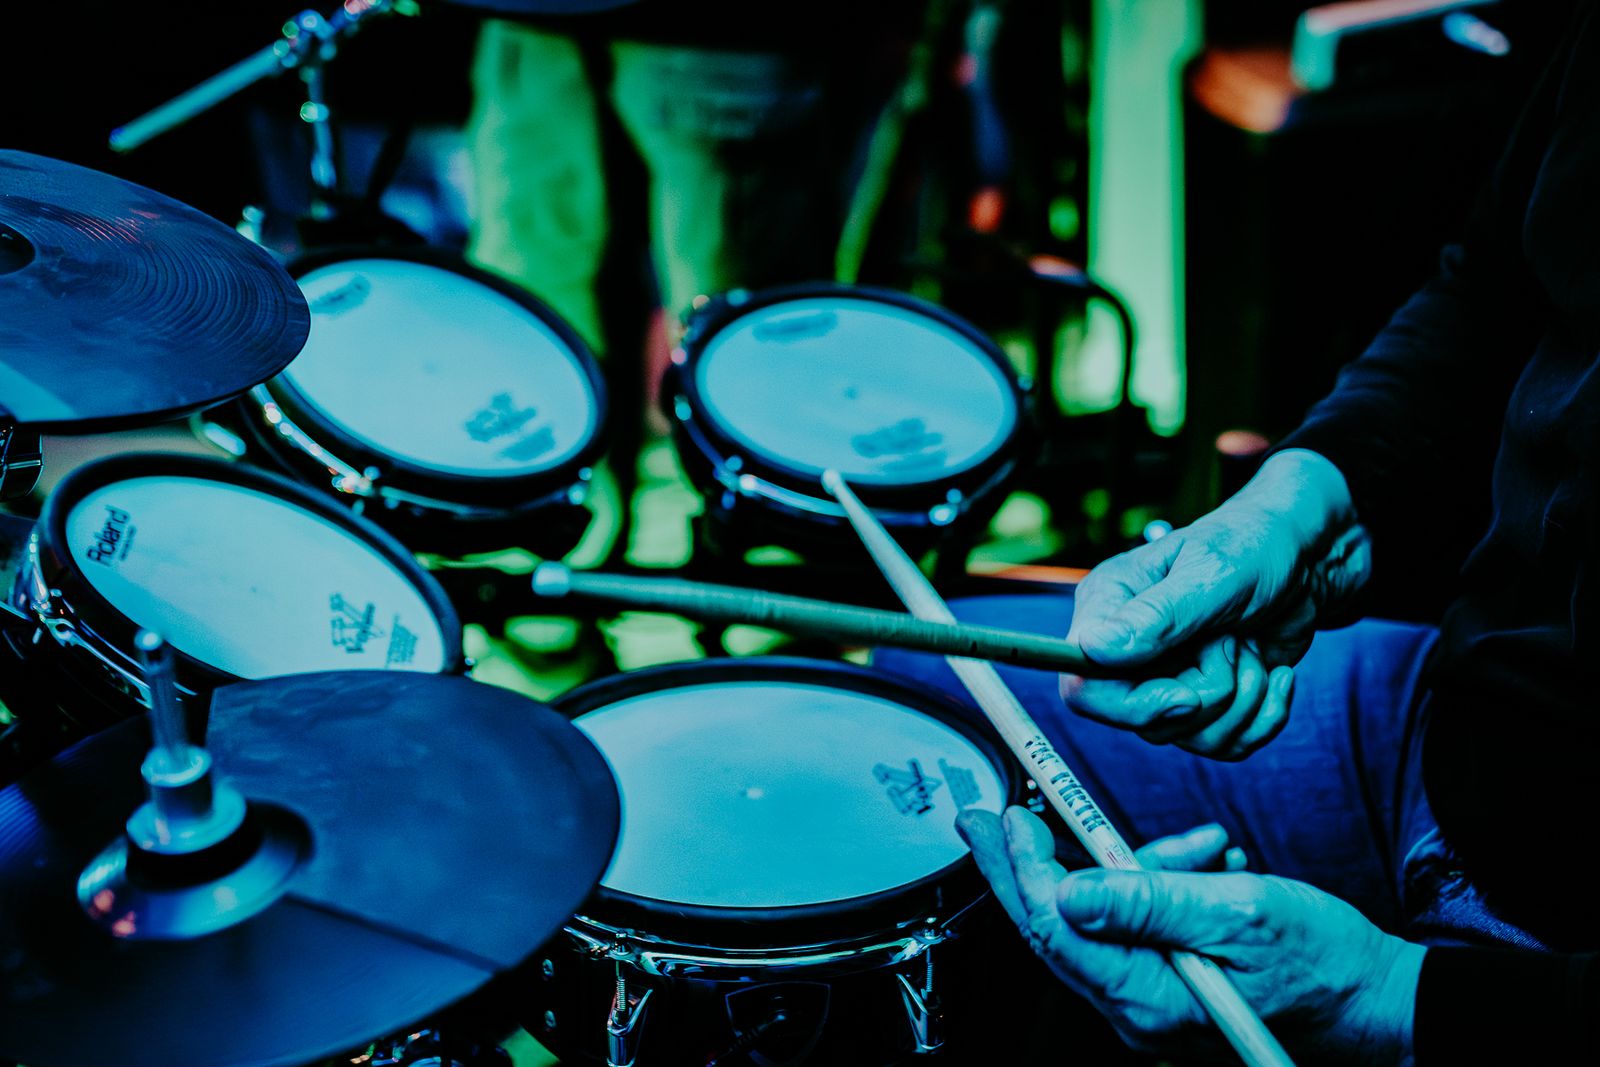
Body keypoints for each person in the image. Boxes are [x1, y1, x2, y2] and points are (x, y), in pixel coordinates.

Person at [875, 3, 1600, 1060]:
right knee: (907, 691)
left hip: (1553, 943)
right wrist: (1306, 503)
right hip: (1463, 718)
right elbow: (1498, 284)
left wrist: (1389, 997)